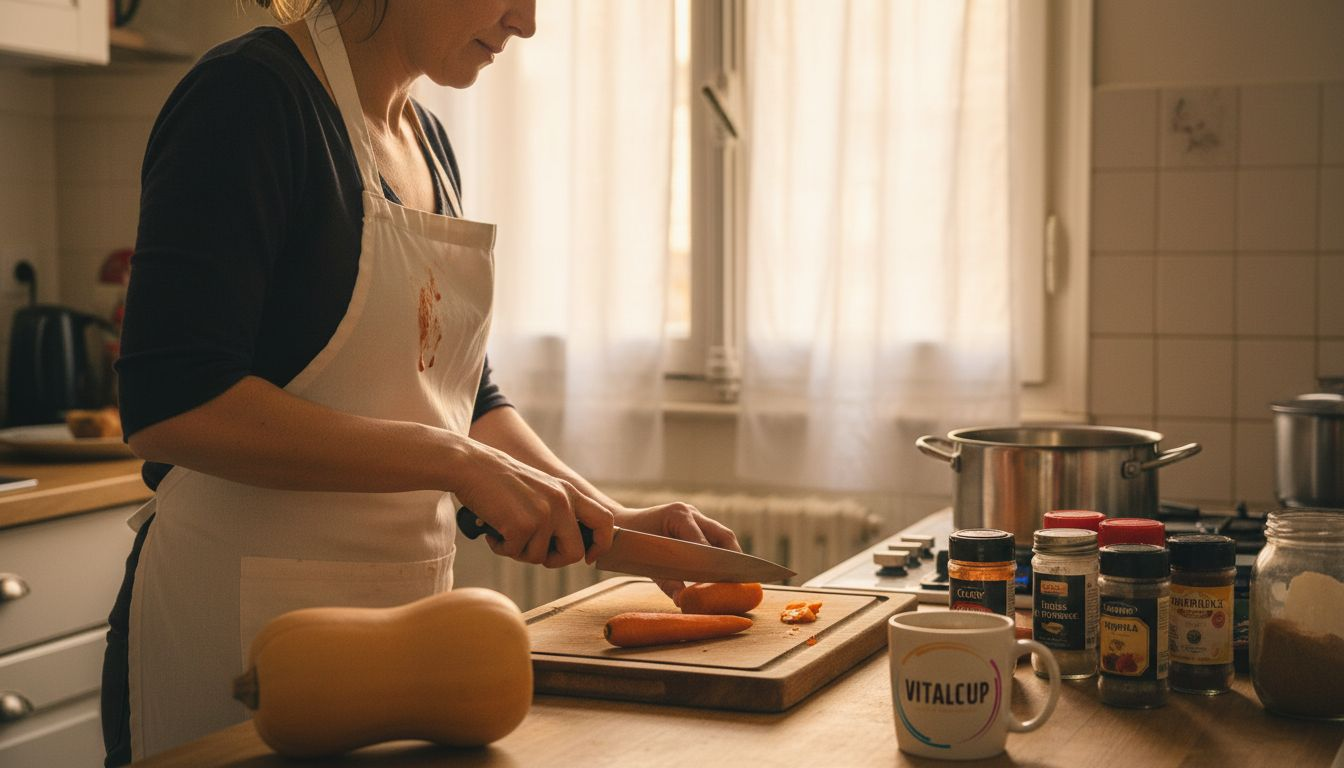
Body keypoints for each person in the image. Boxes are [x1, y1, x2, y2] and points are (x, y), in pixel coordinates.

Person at [99, 1, 740, 764]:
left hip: (407, 654)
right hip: (236, 639)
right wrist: (455, 464)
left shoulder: (427, 139)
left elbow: (462, 397)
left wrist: (614, 521)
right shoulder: (247, 97)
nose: (527, 21)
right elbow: (174, 403)